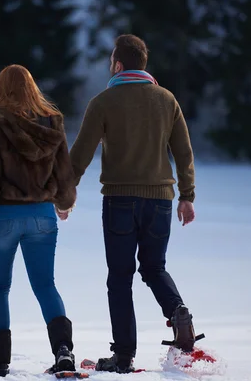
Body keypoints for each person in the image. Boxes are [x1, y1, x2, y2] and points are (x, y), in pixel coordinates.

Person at [68, 34, 198, 373]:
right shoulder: (167, 100)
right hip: (161, 202)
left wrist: (63, 193)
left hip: (120, 200)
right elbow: (183, 152)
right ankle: (179, 314)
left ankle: (123, 356)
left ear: (119, 65)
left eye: (112, 62)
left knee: (120, 277)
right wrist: (187, 196)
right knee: (154, 268)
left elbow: (80, 154)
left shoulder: (104, 101)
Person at [0, 64, 78, 377]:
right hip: (42, 216)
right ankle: (64, 352)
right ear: (32, 89)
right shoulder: (51, 120)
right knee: (45, 285)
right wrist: (64, 203)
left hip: (1, 218)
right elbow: (64, 171)